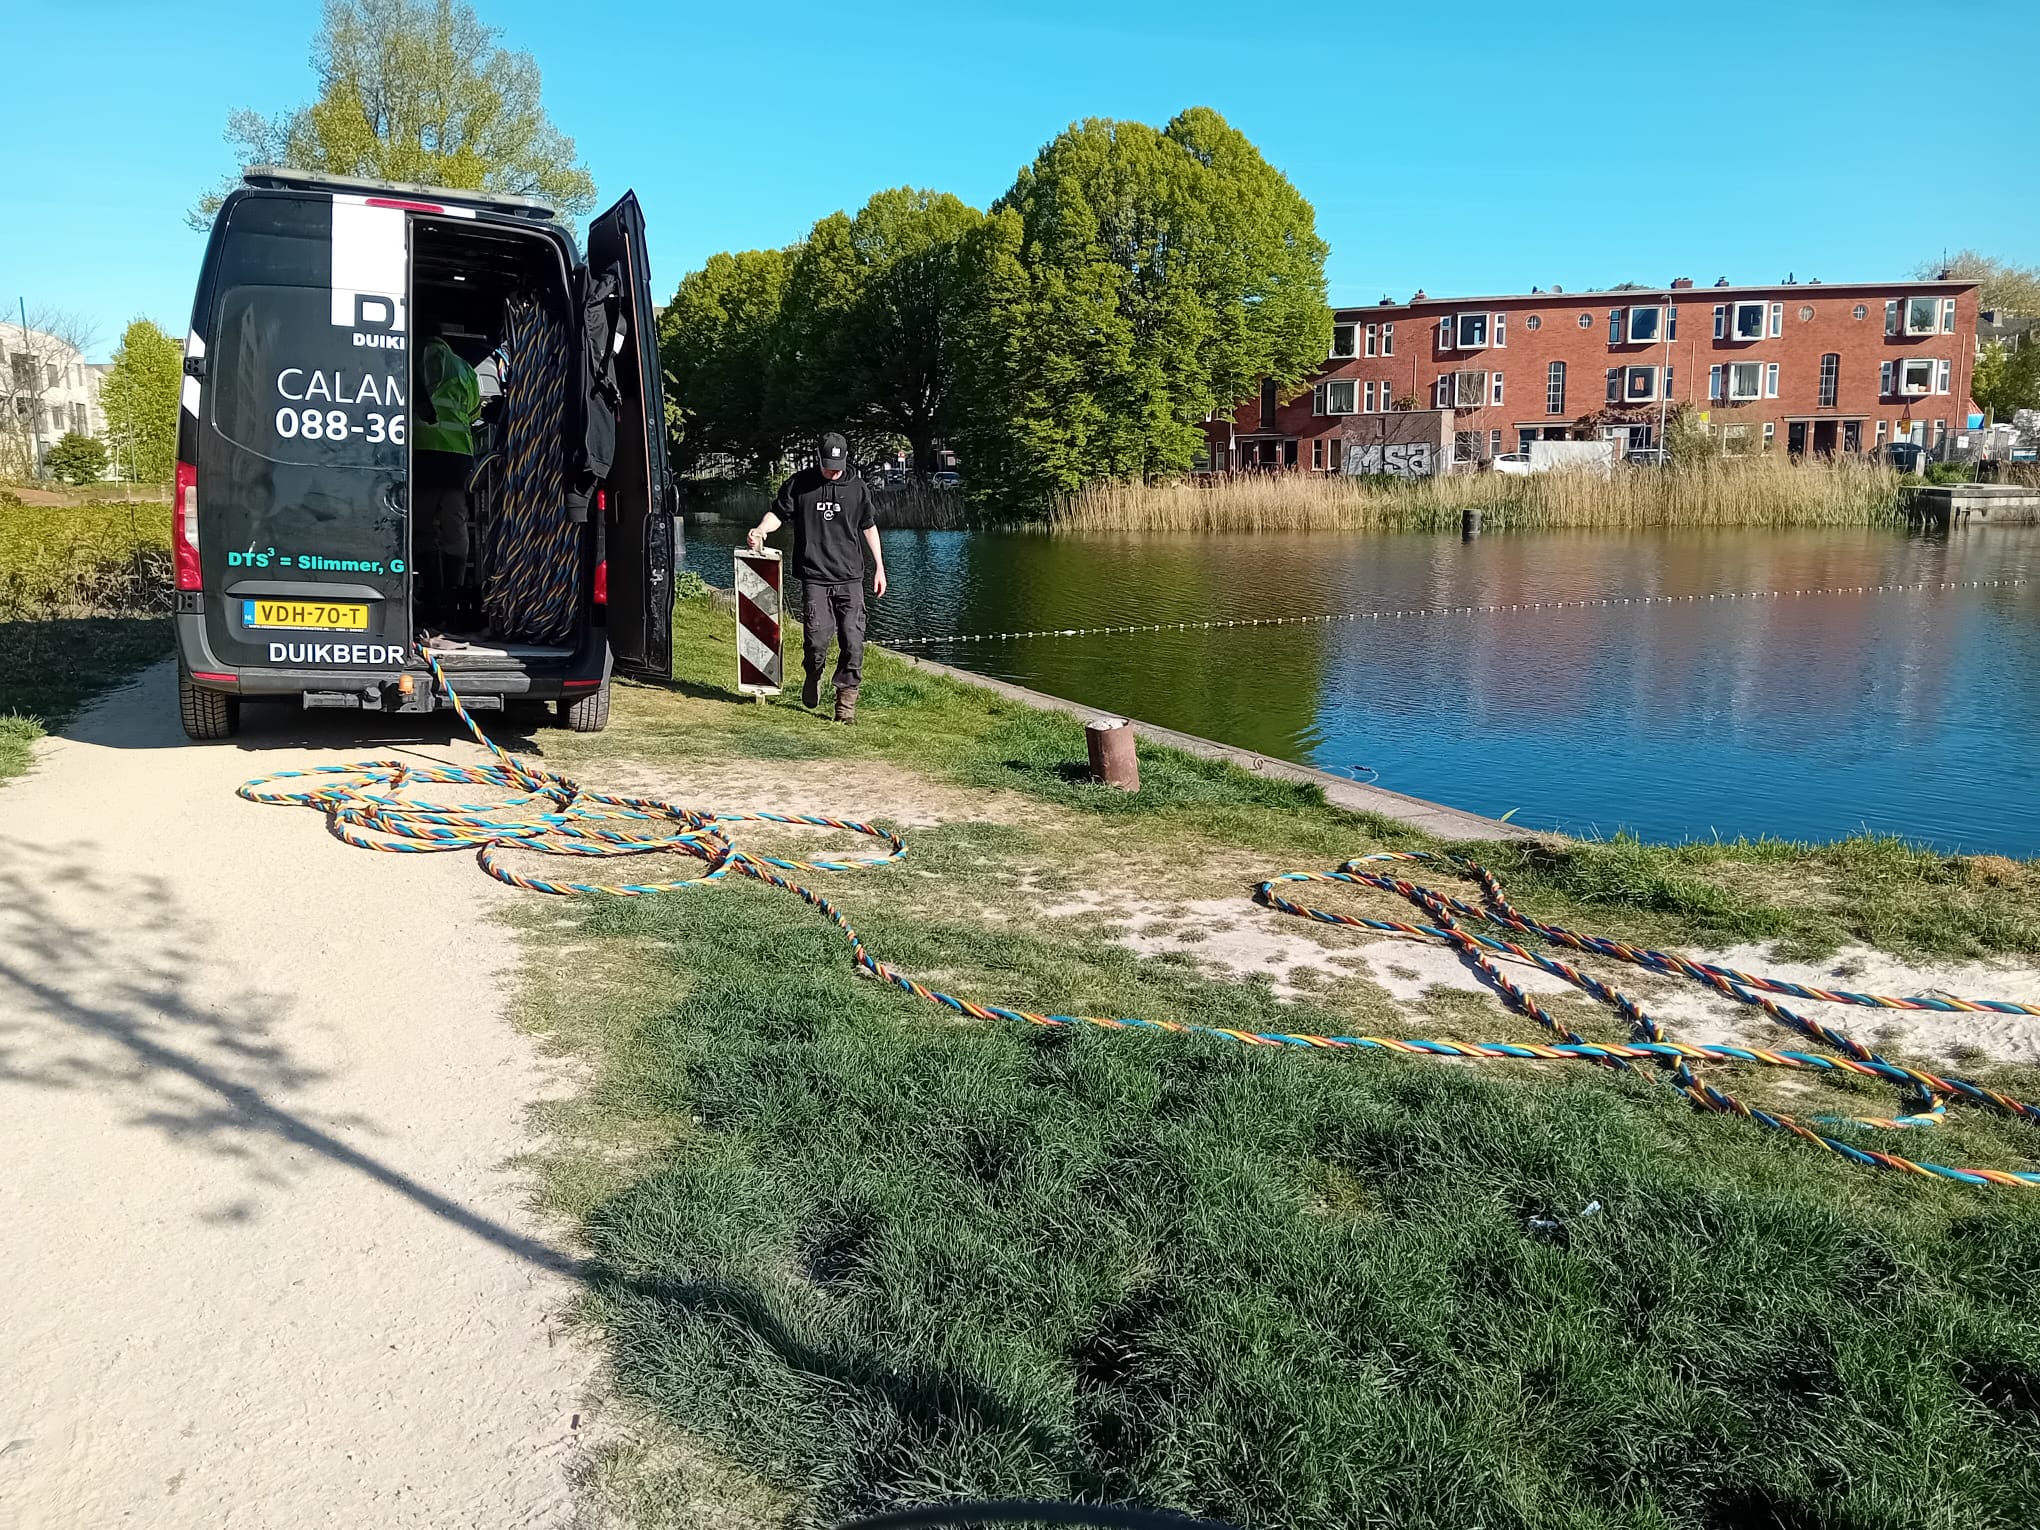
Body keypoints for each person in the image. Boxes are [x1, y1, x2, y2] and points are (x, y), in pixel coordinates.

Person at [748, 432, 888, 723]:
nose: (832, 470)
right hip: (815, 577)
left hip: (850, 577)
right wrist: (761, 530)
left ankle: (845, 706)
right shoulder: (800, 484)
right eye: (827, 465)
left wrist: (880, 567)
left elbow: (869, 526)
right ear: (818, 458)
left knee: (853, 639)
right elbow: (777, 514)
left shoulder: (858, 488)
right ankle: (813, 674)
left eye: (837, 465)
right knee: (816, 640)